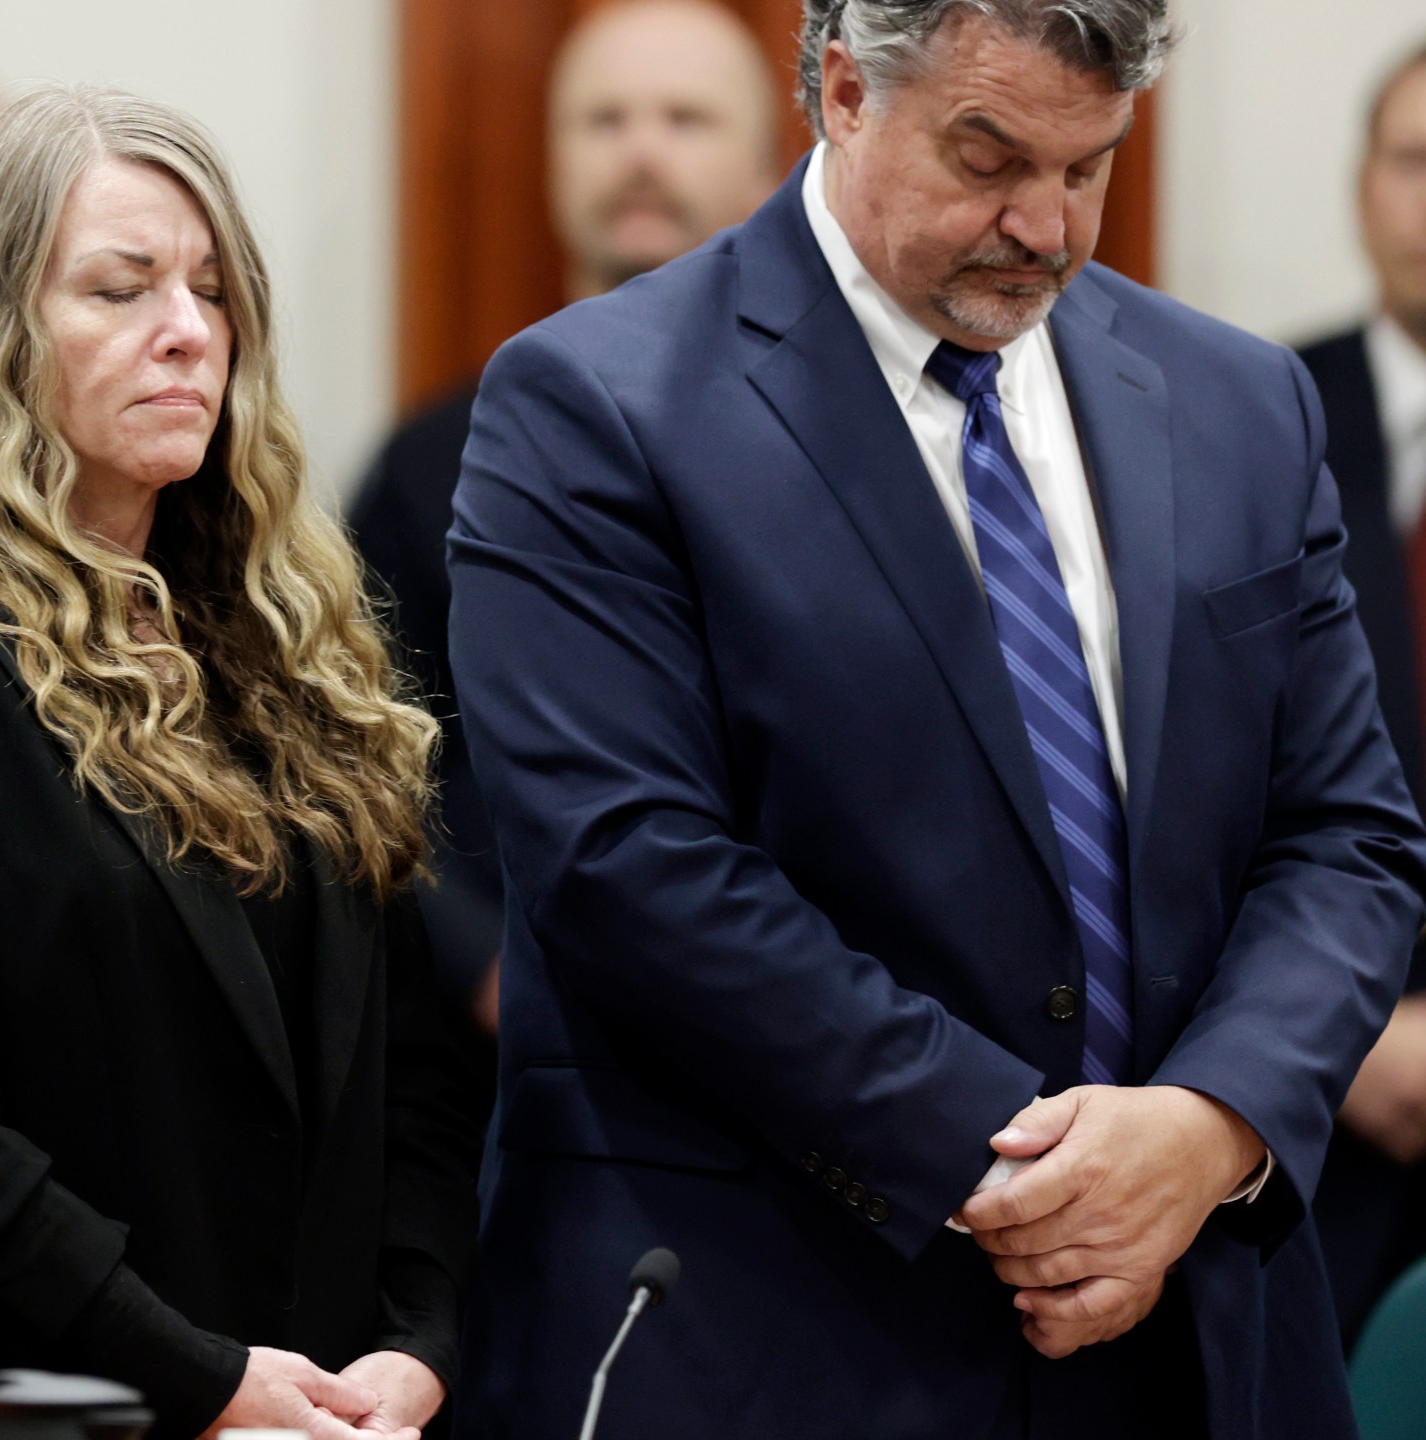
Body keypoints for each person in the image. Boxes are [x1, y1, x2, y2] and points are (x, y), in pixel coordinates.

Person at [448, 0, 1426, 1432]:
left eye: (1087, 166)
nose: (1043, 227)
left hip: (1195, 1329)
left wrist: (1210, 1128)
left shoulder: (1240, 402)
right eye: (989, 156)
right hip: (779, 1323)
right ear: (845, 89)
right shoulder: (593, 403)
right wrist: (1015, 1164)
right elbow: (630, 866)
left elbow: (1345, 831)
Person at [0, 85, 485, 1440]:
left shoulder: (291, 651)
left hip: (337, 1409)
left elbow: (418, 1068)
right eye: (121, 288)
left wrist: (420, 1337)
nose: (186, 333)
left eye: (212, 293)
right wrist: (202, 1376)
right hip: (61, 1406)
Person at [345, 0, 778, 1033]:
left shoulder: (850, 452)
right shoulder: (426, 463)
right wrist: (482, 968)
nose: (638, 150)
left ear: (770, 171)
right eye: (602, 119)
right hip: (504, 1052)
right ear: (550, 161)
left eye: (684, 118)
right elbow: (351, 758)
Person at [1299, 37, 1426, 1348]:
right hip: (1310, 1129)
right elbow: (1182, 784)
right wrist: (1346, 1029)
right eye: (1417, 162)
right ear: (1361, 189)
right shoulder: (1240, 422)